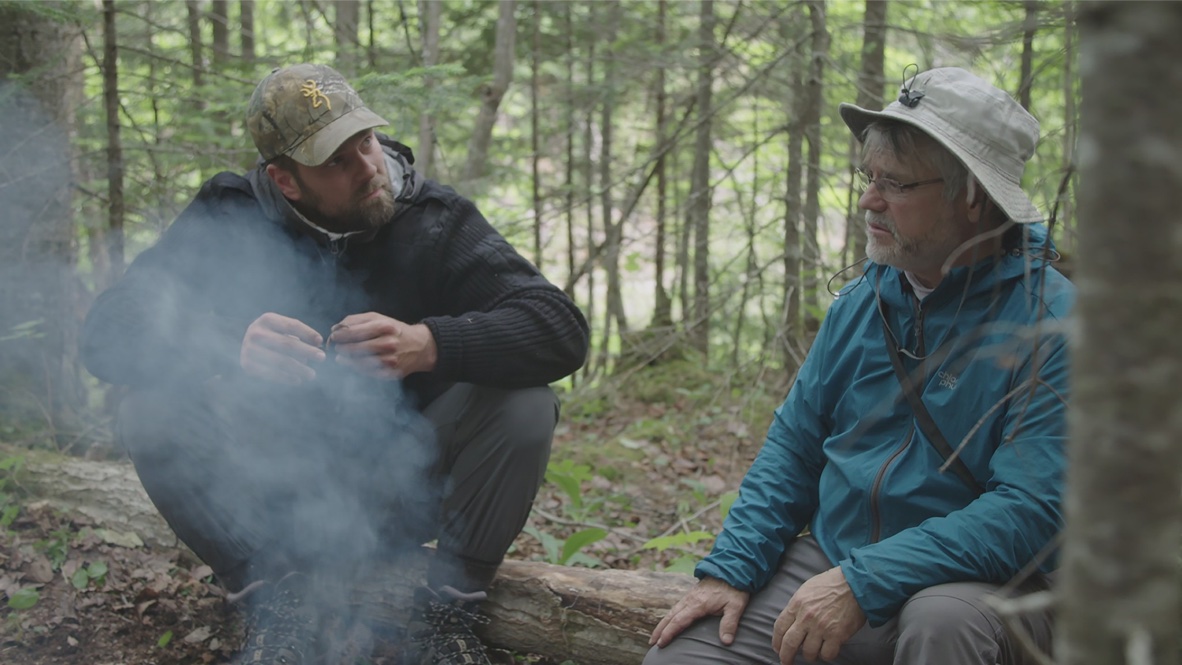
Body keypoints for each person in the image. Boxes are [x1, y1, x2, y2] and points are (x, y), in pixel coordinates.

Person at [79, 63, 589, 665]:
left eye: (366, 143)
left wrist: (431, 343)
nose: (369, 168)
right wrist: (223, 344)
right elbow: (106, 334)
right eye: (337, 162)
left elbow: (562, 330)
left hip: (409, 485)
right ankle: (274, 603)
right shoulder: (230, 211)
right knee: (150, 407)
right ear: (286, 179)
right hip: (273, 495)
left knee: (526, 403)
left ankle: (450, 611)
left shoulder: (435, 219)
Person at [645, 67, 1074, 664]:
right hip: (835, 556)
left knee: (942, 625)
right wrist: (732, 569)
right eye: (867, 178)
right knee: (687, 653)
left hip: (983, 589)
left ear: (973, 196)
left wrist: (864, 579)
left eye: (895, 184)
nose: (868, 201)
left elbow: (1031, 512)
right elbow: (795, 445)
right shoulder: (865, 299)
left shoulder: (1054, 324)